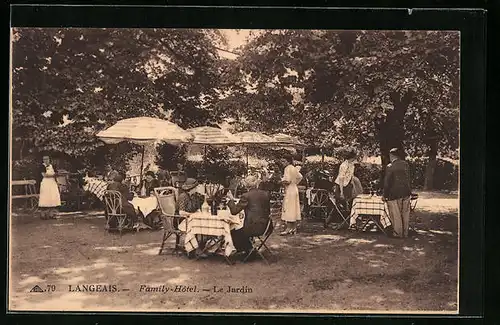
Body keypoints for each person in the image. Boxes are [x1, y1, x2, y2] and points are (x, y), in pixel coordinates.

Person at [226, 175, 272, 254]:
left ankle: (248, 250)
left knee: (233, 230)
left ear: (246, 185)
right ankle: (249, 249)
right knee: (239, 228)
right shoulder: (265, 194)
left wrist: (230, 200)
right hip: (267, 225)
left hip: (254, 227)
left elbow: (234, 211)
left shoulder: (246, 196)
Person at [383, 148, 412, 238]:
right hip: (406, 192)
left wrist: (385, 195)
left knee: (396, 214)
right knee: (405, 213)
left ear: (392, 155)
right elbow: (409, 178)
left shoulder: (390, 166)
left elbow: (387, 182)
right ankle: (405, 233)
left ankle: (398, 233)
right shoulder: (405, 164)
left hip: (395, 193)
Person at [280, 155, 303, 235]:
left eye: (284, 161)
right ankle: (293, 227)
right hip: (294, 189)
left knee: (289, 207)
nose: (282, 163)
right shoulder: (294, 168)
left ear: (288, 161)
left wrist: (281, 182)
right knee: (294, 207)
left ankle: (289, 228)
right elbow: (300, 176)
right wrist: (295, 183)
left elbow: (288, 181)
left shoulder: (287, 169)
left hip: (290, 189)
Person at [38, 155, 61, 220]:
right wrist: (53, 175)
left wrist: (55, 176)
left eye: (47, 159)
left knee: (53, 197)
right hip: (46, 183)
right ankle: (44, 214)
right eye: (44, 159)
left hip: (53, 183)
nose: (46, 160)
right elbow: (44, 175)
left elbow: (56, 173)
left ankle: (52, 214)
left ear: (49, 160)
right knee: (46, 197)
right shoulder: (42, 166)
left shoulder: (52, 166)